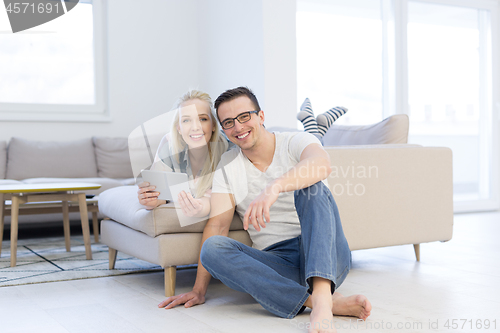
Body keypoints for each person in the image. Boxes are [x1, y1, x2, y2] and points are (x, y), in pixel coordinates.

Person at [158, 87, 371, 333]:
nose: (238, 127)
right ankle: (316, 301)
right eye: (228, 122)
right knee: (212, 247)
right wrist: (198, 291)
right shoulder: (228, 168)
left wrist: (275, 187)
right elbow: (217, 226)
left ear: (261, 116)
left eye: (244, 116)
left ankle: (322, 302)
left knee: (311, 187)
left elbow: (321, 164)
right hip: (279, 263)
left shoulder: (295, 142)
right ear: (224, 131)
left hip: (327, 254)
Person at [137, 90, 228, 217]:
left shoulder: (227, 150)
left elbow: (222, 199)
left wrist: (200, 207)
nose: (195, 127)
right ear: (178, 128)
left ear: (213, 125)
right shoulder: (169, 143)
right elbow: (159, 194)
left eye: (202, 119)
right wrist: (150, 200)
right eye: (186, 120)